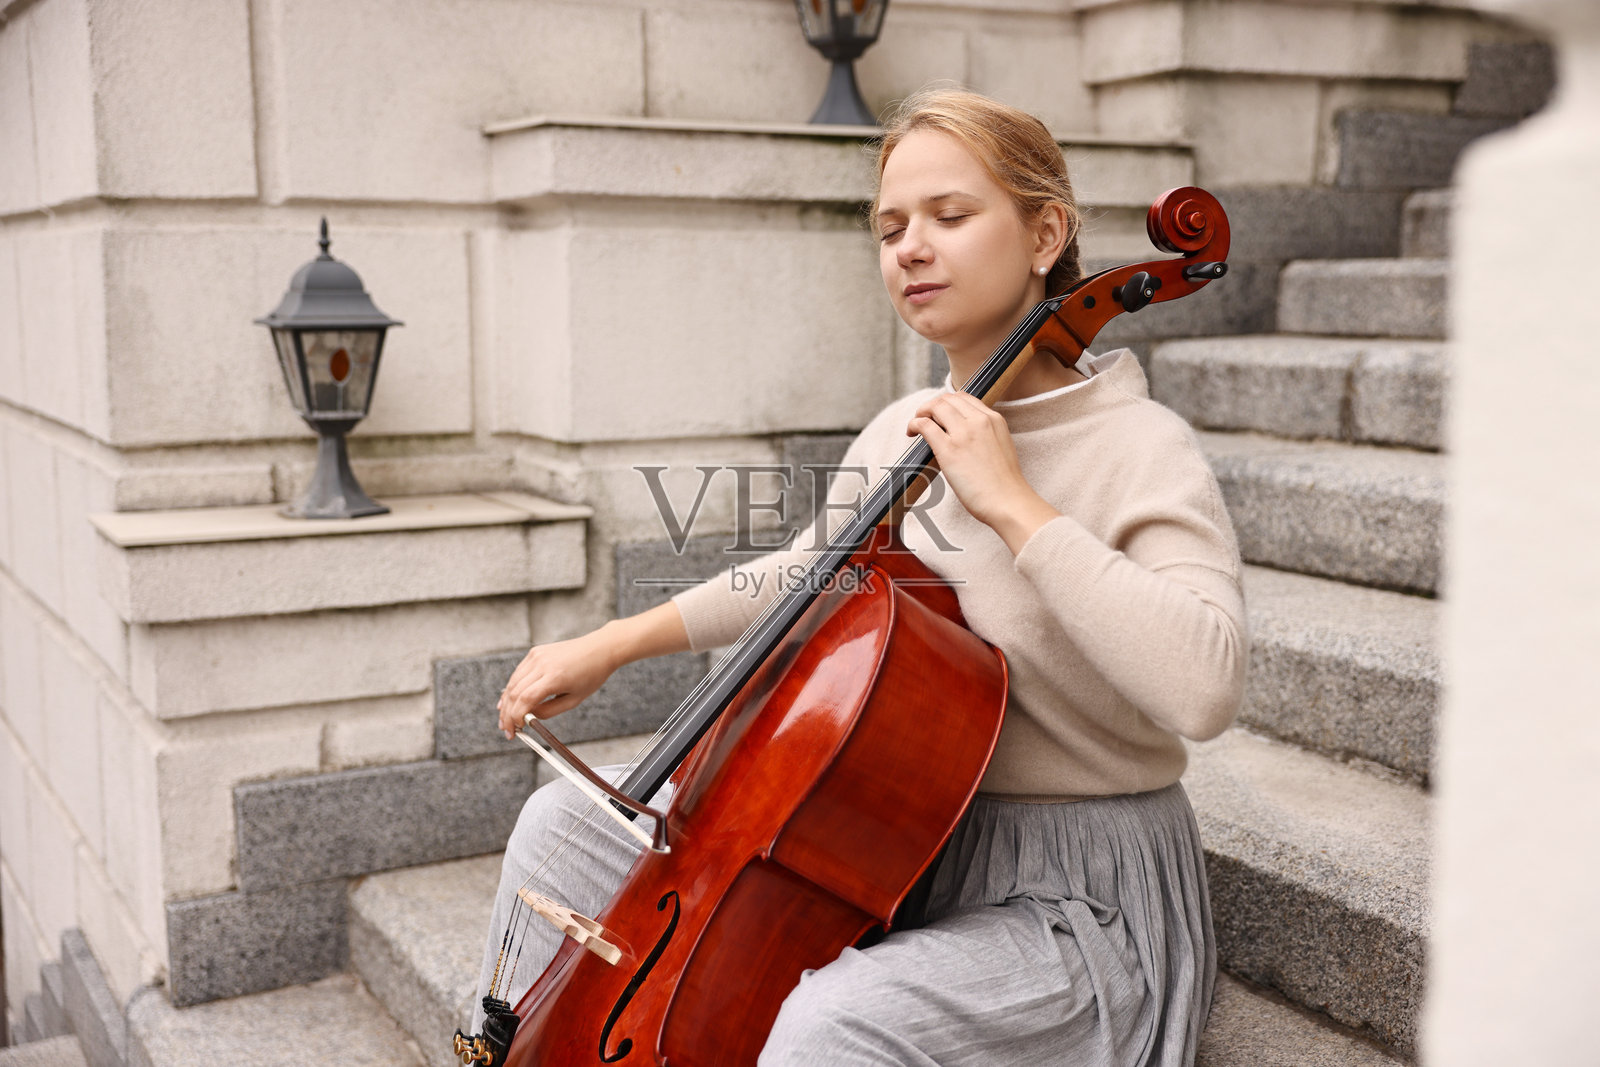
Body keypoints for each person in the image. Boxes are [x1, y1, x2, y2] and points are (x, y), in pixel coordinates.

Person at [475, 87, 1247, 1066]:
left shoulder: (1138, 444)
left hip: (1077, 897)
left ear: (1045, 233)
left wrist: (1015, 504)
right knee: (560, 827)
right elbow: (810, 571)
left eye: (949, 216)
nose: (910, 249)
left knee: (832, 1022)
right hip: (900, 842)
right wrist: (610, 644)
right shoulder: (902, 430)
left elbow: (1205, 686)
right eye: (890, 228)